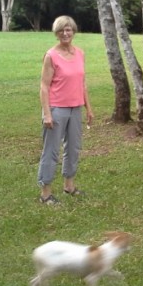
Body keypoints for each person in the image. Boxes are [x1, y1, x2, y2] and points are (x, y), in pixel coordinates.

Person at [37, 16, 94, 204]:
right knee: (51, 151)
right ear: (56, 33)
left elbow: (82, 82)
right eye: (61, 30)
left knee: (73, 148)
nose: (65, 33)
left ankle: (69, 185)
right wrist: (47, 113)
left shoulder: (80, 53)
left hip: (75, 108)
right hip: (56, 109)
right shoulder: (51, 56)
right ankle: (45, 193)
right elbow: (44, 86)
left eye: (68, 29)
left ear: (74, 31)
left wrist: (88, 108)